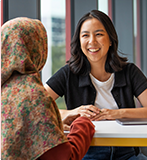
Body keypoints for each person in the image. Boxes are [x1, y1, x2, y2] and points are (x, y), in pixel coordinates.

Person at [45, 10, 147, 160]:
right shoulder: (68, 74)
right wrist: (70, 112)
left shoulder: (129, 72)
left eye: (99, 34)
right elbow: (35, 107)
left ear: (110, 40)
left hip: (126, 152)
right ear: (79, 41)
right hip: (87, 152)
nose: (92, 41)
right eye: (85, 35)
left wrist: (118, 113)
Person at [1, 17, 95, 160]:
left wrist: (53, 123)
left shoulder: (6, 90)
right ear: (37, 48)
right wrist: (83, 124)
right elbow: (66, 157)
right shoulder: (32, 95)